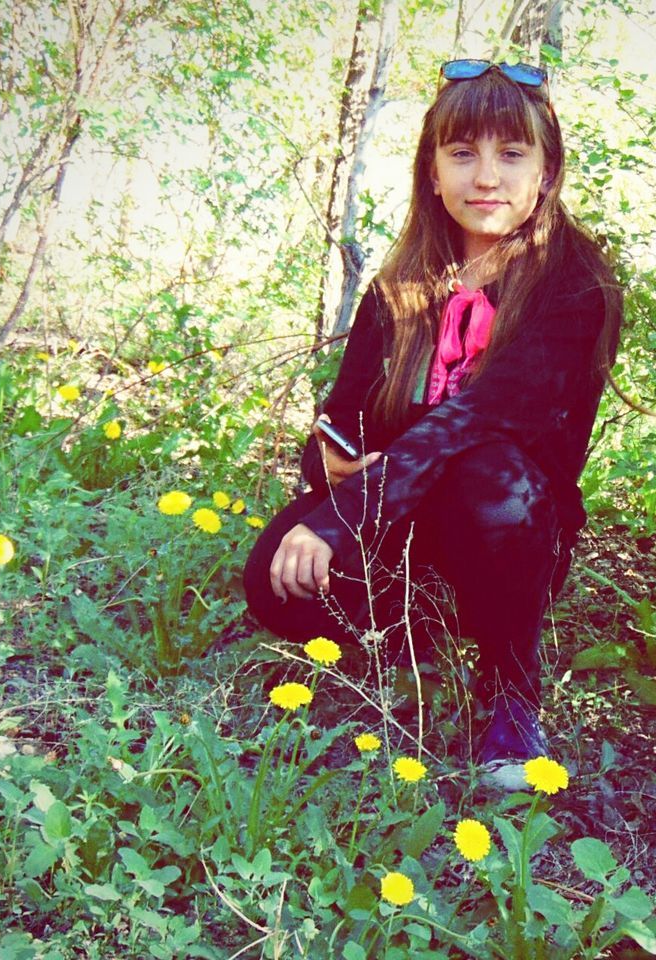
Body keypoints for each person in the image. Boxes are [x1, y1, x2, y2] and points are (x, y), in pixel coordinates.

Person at [243, 58, 623, 789]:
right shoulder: (402, 286)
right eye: (462, 153)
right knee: (271, 578)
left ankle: (510, 693)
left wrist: (336, 517)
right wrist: (327, 466)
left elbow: (480, 419)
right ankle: (420, 629)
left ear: (547, 170)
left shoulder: (572, 282)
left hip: (510, 525)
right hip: (400, 511)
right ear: (432, 170)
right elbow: (342, 421)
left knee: (490, 477)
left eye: (512, 153)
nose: (487, 176)